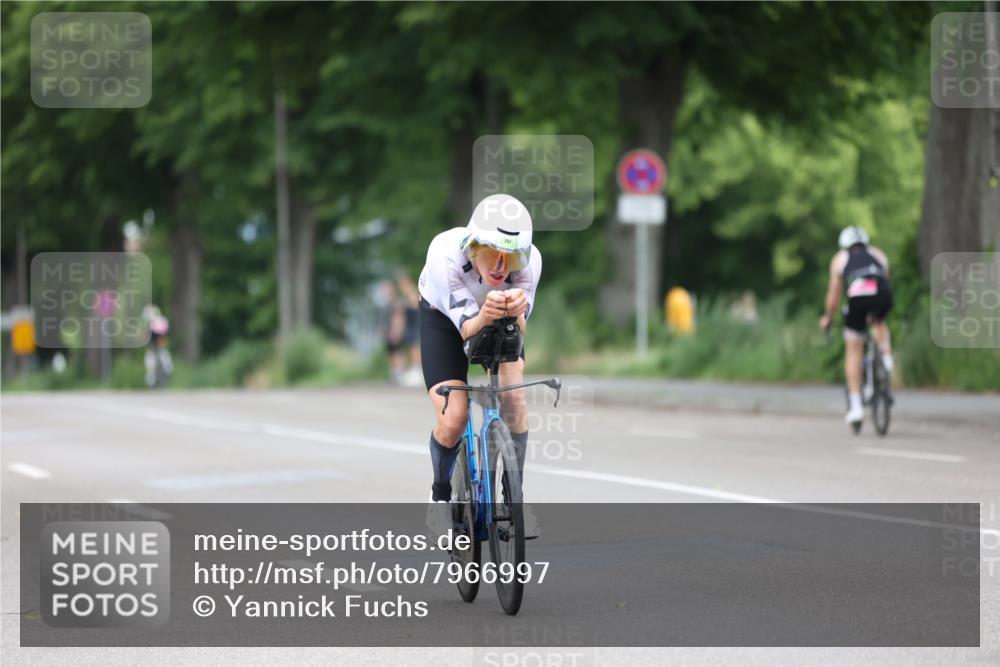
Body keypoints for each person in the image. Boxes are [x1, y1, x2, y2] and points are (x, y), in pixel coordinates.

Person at [417, 194, 542, 539]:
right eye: (492, 252)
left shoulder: (530, 264)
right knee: (454, 416)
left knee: (514, 400)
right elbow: (468, 331)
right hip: (445, 319)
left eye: (512, 256)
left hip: (497, 315)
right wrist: (487, 312)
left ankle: (514, 499)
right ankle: (439, 496)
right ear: (473, 245)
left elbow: (521, 328)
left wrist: (516, 312)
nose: (502, 266)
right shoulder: (444, 256)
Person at [819, 226, 894, 425]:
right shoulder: (878, 254)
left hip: (857, 298)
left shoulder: (840, 258)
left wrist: (828, 317)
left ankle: (856, 407)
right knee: (878, 321)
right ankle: (885, 357)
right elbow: (886, 280)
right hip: (882, 294)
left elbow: (834, 296)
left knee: (853, 348)